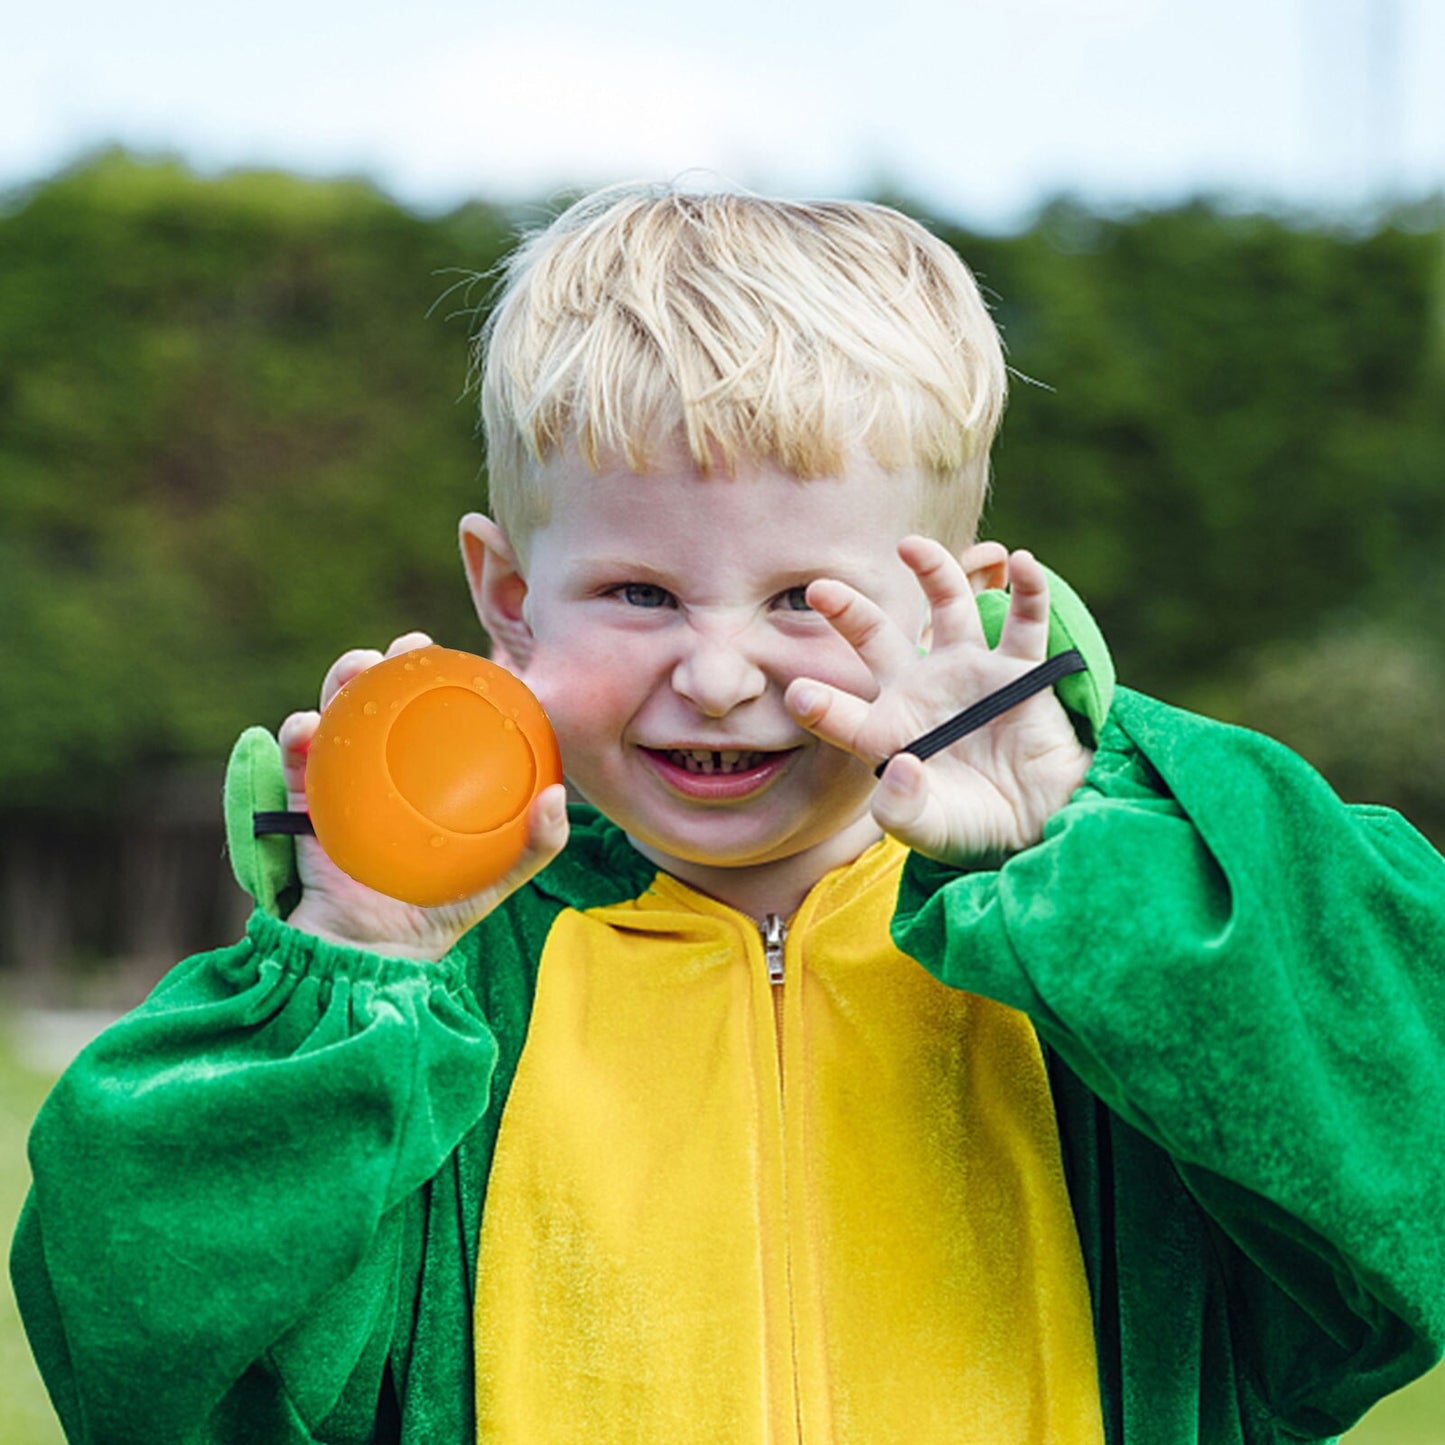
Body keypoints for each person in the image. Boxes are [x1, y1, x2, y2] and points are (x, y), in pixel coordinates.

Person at [11, 186, 1445, 1445]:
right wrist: (361, 968)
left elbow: (1403, 1173)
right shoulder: (451, 996)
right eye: (639, 592)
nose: (712, 673)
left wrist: (1084, 842)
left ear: (953, 595)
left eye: (803, 601)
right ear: (508, 597)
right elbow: (143, 1352)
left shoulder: (1094, 967)